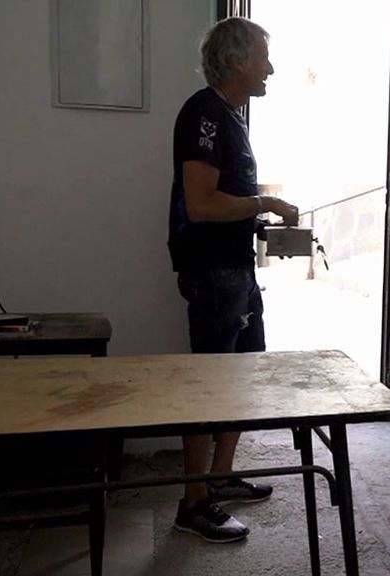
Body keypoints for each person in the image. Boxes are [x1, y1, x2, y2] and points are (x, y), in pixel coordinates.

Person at [167, 17, 299, 543]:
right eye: (263, 56)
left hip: (236, 268)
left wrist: (254, 214)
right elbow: (199, 205)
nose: (270, 67)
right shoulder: (204, 113)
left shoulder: (230, 115)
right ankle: (193, 502)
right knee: (209, 384)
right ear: (237, 60)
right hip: (213, 271)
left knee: (240, 377)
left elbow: (223, 201)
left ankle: (219, 479)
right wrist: (263, 202)